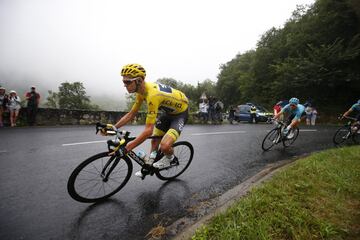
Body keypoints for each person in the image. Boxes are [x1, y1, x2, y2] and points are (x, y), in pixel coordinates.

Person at [105, 63, 189, 178]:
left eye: (127, 82)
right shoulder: (141, 93)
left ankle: (172, 159)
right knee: (154, 141)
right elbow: (131, 114)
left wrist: (128, 148)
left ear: (139, 81)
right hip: (168, 113)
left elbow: (148, 130)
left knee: (164, 146)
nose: (125, 85)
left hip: (180, 114)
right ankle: (150, 165)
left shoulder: (152, 95)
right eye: (123, 81)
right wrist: (113, 128)